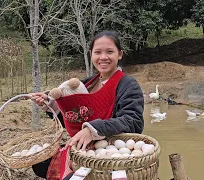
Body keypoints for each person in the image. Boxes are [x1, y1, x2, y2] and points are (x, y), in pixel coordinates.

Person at [30, 30, 144, 179]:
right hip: (83, 149)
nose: (103, 57)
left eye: (109, 51)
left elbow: (133, 121)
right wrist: (50, 104)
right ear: (91, 55)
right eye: (98, 52)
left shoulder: (128, 85)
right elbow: (73, 121)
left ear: (120, 54)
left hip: (109, 154)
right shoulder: (86, 84)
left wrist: (92, 130)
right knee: (40, 165)